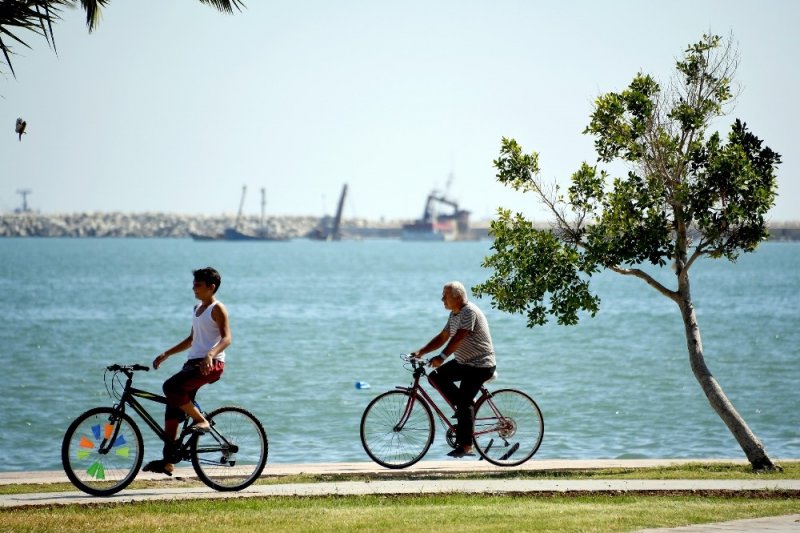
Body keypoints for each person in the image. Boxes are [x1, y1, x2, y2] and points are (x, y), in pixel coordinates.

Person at [142, 267, 231, 476]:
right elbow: (192, 340)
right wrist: (167, 353)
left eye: (198, 285)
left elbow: (227, 338)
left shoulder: (217, 308)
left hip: (211, 364)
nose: (194, 288)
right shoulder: (197, 308)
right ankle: (168, 461)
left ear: (212, 287)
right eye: (193, 284)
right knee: (172, 410)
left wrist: (210, 354)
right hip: (192, 364)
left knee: (170, 386)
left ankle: (201, 420)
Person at [411, 281, 496, 458]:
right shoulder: (454, 315)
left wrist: (441, 357)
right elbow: (443, 337)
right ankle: (466, 412)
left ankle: (466, 446)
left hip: (480, 365)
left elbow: (458, 337)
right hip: (464, 362)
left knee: (464, 402)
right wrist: (421, 351)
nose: (442, 299)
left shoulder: (468, 312)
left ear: (457, 297)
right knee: (435, 377)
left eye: (445, 296)